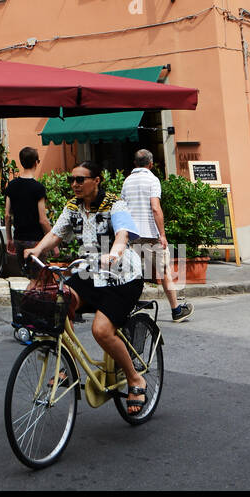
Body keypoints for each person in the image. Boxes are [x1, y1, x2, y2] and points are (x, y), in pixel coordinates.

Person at [24, 161, 148, 414]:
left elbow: (123, 233)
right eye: (72, 180)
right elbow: (56, 233)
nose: (74, 185)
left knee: (101, 331)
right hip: (90, 273)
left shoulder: (115, 203)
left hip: (121, 278)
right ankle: (68, 367)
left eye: (80, 180)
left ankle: (135, 378)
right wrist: (37, 249)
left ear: (97, 180)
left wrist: (114, 254)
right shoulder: (73, 206)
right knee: (59, 304)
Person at [121, 150, 193, 323]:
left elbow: (122, 207)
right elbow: (155, 208)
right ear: (150, 164)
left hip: (131, 235)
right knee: (165, 272)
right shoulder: (152, 180)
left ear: (134, 163)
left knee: (134, 274)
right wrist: (162, 234)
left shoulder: (127, 181)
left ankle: (129, 309)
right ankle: (176, 311)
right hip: (151, 234)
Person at [2, 147, 51, 277]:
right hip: (36, 240)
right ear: (36, 162)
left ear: (21, 162)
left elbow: (7, 215)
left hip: (18, 238)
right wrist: (53, 241)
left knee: (26, 276)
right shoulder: (38, 188)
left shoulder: (11, 186)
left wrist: (9, 239)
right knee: (38, 278)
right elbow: (43, 220)